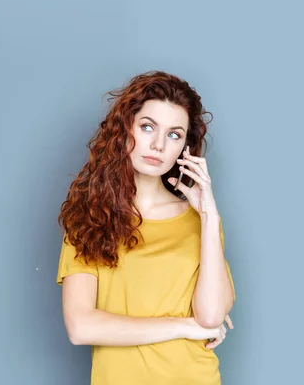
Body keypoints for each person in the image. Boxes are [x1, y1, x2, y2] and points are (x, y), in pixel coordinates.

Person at [56, 70, 236, 385]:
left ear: (185, 148)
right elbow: (81, 327)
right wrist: (183, 326)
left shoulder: (201, 223)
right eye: (148, 127)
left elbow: (210, 317)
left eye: (174, 134)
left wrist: (209, 215)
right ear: (125, 129)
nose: (157, 145)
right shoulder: (90, 218)